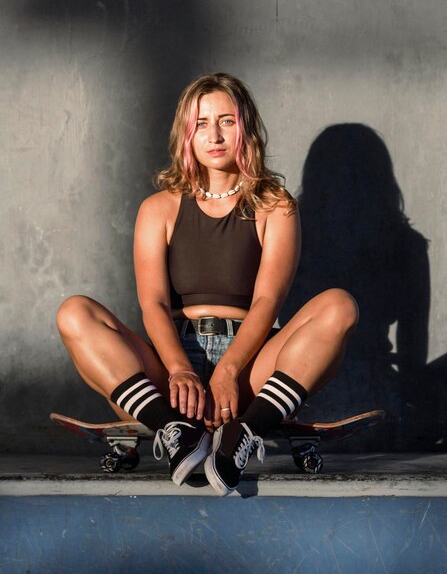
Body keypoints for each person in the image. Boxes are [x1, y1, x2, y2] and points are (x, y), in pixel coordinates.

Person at [56, 73, 358, 496]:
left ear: (245, 128)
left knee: (339, 305)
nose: (214, 135)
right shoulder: (157, 209)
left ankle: (244, 433)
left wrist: (230, 369)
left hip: (252, 365)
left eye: (227, 122)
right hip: (170, 365)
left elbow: (268, 301)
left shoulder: (276, 206)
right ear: (186, 134)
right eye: (201, 123)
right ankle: (175, 428)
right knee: (74, 311)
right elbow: (154, 304)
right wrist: (179, 368)